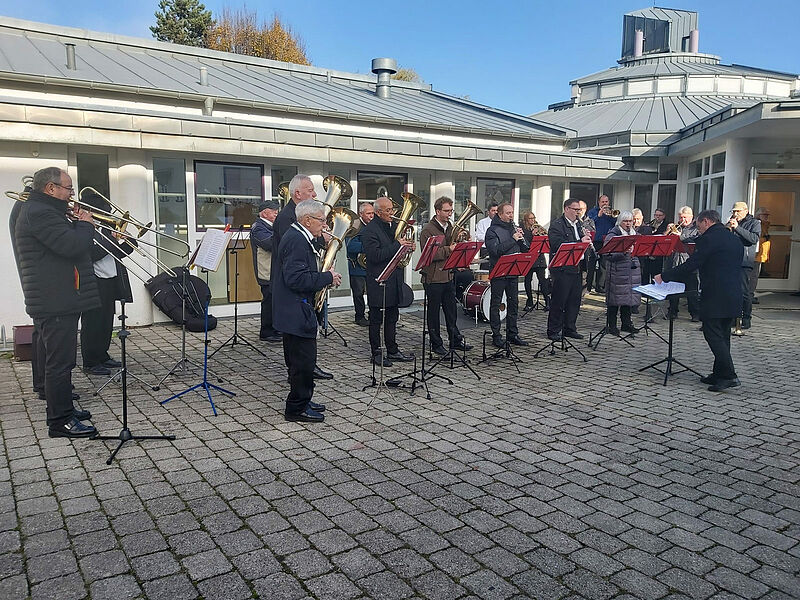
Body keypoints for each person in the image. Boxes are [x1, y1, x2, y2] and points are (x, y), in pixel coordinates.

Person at [15, 167, 100, 438]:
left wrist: (75, 223)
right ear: (51, 189)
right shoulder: (40, 213)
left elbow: (63, 243)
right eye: (68, 189)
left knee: (59, 361)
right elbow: (72, 246)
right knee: (60, 363)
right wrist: (86, 224)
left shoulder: (46, 211)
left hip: (57, 295)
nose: (72, 195)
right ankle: (59, 421)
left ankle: (64, 409)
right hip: (56, 298)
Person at [657, 210, 743, 392]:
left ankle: (729, 375)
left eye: (698, 224)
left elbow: (692, 265)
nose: (698, 229)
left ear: (706, 221)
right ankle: (718, 373)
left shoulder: (708, 239)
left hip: (715, 293)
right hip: (734, 293)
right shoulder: (734, 238)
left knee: (712, 333)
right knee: (723, 334)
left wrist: (664, 276)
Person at [273, 200, 341, 422]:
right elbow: (296, 278)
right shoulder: (296, 241)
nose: (325, 224)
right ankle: (296, 408)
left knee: (300, 361)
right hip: (295, 310)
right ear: (307, 220)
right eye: (322, 220)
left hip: (294, 309)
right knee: (303, 362)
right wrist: (327, 277)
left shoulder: (299, 236)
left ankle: (303, 399)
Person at [271, 174, 333, 380]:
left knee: (301, 350)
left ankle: (304, 376)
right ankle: (299, 387)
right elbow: (294, 269)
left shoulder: (298, 224)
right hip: (294, 300)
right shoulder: (288, 221)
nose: (314, 194)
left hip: (298, 298)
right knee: (298, 350)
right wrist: (326, 276)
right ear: (297, 193)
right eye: (310, 190)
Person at [79, 189, 134, 376]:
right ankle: (90, 361)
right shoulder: (82, 228)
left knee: (106, 322)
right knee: (92, 323)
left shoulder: (104, 229)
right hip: (93, 281)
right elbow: (91, 256)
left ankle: (102, 355)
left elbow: (117, 255)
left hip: (110, 280)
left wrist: (130, 242)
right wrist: (111, 240)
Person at [361, 196, 415, 366]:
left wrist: (407, 246)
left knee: (392, 316)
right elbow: (375, 256)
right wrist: (397, 245)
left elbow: (396, 250)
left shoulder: (391, 226)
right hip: (379, 280)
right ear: (378, 212)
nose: (393, 213)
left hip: (394, 278)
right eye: (389, 210)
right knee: (376, 319)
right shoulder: (370, 230)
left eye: (392, 209)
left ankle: (392, 350)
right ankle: (376, 353)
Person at [419, 197, 472, 355]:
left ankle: (455, 339)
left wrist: (462, 247)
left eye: (451, 211)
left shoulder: (450, 226)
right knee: (434, 312)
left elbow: (454, 248)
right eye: (447, 211)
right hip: (433, 277)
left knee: (451, 310)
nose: (450, 214)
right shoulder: (428, 230)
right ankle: (436, 343)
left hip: (448, 275)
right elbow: (429, 254)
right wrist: (451, 249)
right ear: (438, 211)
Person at [547, 198, 593, 342]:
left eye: (579, 210)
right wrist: (580, 242)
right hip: (562, 268)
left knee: (574, 300)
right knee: (559, 301)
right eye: (575, 210)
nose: (578, 213)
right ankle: (553, 330)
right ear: (566, 209)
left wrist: (586, 239)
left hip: (577, 266)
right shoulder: (557, 225)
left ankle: (570, 328)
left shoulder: (579, 224)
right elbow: (556, 244)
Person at [485, 202, 528, 348]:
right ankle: (496, 335)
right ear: (500, 214)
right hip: (499, 271)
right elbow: (495, 251)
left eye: (512, 213)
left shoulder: (513, 228)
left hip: (513, 271)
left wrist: (523, 239)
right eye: (508, 213)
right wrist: (513, 239)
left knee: (514, 303)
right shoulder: (492, 230)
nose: (511, 216)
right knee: (496, 304)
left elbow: (524, 249)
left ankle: (512, 333)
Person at [603, 211, 641, 335]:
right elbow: (608, 254)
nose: (628, 224)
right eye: (625, 221)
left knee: (628, 298)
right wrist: (623, 251)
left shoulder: (635, 234)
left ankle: (626, 323)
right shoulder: (613, 235)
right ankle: (611, 325)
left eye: (630, 221)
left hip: (632, 270)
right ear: (620, 222)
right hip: (617, 271)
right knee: (615, 299)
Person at [727, 201, 761, 330]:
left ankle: (746, 318)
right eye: (734, 211)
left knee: (744, 292)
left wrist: (737, 228)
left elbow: (753, 239)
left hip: (744, 262)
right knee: (731, 291)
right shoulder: (732, 222)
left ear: (745, 211)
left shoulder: (755, 223)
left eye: (738, 211)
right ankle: (733, 317)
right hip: (731, 261)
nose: (735, 214)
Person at [251, 199, 281, 342]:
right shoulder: (258, 227)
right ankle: (266, 331)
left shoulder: (271, 226)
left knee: (275, 302)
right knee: (268, 302)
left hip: (273, 271)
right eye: (273, 210)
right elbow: (269, 244)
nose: (276, 212)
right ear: (264, 212)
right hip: (266, 272)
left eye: (277, 209)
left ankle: (276, 328)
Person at [666, 206, 701, 322]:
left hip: (689, 263)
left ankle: (695, 313)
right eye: (680, 218)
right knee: (673, 289)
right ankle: (672, 311)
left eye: (685, 217)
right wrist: (668, 232)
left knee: (692, 291)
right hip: (675, 262)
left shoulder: (696, 228)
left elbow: (694, 239)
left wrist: (679, 236)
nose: (682, 220)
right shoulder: (676, 226)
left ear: (691, 217)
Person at [346, 202, 374, 326]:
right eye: (368, 213)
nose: (371, 216)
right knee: (358, 293)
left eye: (373, 213)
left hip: (371, 265)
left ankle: (373, 314)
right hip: (357, 266)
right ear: (361, 214)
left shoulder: (375, 226)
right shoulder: (355, 227)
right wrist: (368, 247)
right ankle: (359, 316)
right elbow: (350, 246)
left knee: (373, 291)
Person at [520, 210, 549, 311]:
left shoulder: (538, 228)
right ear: (526, 220)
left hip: (539, 258)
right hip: (528, 258)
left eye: (534, 218)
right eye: (530, 219)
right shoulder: (523, 230)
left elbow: (545, 240)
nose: (533, 221)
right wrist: (532, 235)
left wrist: (540, 235)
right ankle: (530, 301)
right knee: (528, 280)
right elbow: (524, 243)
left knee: (543, 280)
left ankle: (547, 301)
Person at [586, 195, 615, 292]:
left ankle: (601, 287)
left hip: (606, 241)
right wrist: (598, 215)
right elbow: (589, 223)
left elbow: (615, 223)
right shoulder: (592, 212)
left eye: (606, 202)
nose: (605, 204)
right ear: (599, 202)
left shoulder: (611, 212)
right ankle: (588, 287)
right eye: (603, 202)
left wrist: (611, 216)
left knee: (604, 265)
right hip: (594, 241)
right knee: (591, 264)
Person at [641, 207, 669, 284]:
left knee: (655, 274)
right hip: (648, 253)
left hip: (658, 254)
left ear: (664, 216)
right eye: (656, 215)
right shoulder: (651, 223)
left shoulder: (666, 225)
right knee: (646, 273)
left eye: (660, 215)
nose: (657, 217)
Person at [750, 207, 771, 305]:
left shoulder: (765, 224)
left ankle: (751, 293)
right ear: (758, 215)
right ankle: (749, 294)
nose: (767, 217)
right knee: (753, 275)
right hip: (755, 253)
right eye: (765, 215)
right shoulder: (756, 224)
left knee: (755, 274)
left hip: (761, 253)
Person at [577, 201, 596, 295]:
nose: (580, 211)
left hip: (587, 249)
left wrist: (588, 233)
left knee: (586, 271)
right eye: (578, 209)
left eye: (582, 209)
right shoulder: (575, 221)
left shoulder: (589, 220)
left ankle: (585, 291)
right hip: (577, 249)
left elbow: (593, 232)